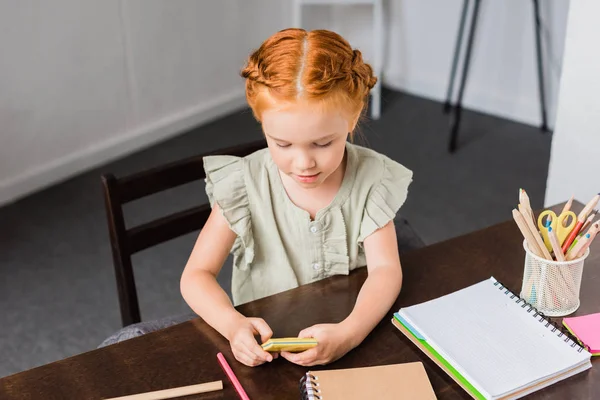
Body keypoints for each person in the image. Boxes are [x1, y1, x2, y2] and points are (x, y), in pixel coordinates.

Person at [180, 28, 413, 367]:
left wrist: (349, 334)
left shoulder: (372, 180)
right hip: (267, 346)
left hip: (352, 337)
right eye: (283, 144)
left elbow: (386, 271)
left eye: (323, 143)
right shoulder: (244, 184)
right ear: (262, 123)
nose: (304, 163)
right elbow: (196, 275)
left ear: (353, 116)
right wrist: (233, 326)